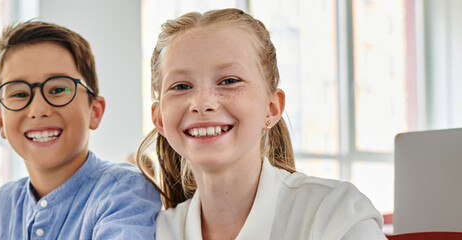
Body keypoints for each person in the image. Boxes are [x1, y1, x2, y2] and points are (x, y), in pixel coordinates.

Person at [136, 9, 386, 239]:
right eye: (181, 86)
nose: (202, 103)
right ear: (159, 118)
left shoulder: (334, 215)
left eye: (229, 81)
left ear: (272, 108)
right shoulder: (156, 232)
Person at [0, 21, 162, 239]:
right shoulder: (0, 206)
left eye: (58, 89)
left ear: (94, 111)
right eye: (19, 94)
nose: (38, 110)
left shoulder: (124, 190)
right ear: (0, 122)